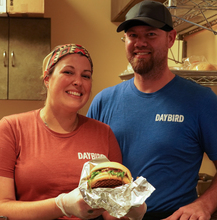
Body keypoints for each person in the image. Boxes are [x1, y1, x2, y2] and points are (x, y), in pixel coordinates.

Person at [0, 44, 146, 220]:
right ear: (47, 78)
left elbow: (110, 214)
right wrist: (62, 205)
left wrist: (131, 211)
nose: (78, 81)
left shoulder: (103, 133)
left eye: (86, 76)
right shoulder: (11, 129)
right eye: (68, 72)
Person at [87, 1, 217, 220]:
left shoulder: (201, 100)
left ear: (171, 38)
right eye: (132, 35)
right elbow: (88, 170)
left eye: (150, 34)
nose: (140, 43)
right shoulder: (103, 101)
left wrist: (205, 204)